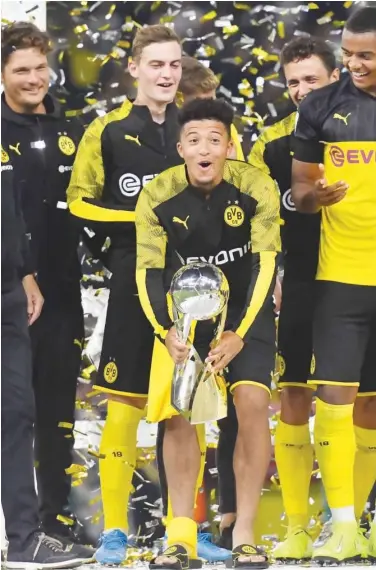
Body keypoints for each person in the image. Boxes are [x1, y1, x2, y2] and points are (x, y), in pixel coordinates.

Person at [135, 98, 281, 569]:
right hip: (186, 316)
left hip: (245, 314)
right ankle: (181, 537)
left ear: (228, 146)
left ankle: (244, 534)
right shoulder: (158, 195)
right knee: (180, 413)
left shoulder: (257, 186)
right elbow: (148, 272)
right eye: (194, 140)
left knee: (253, 405)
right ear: (181, 148)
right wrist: (165, 332)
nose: (204, 149)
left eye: (214, 140)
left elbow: (264, 265)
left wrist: (239, 331)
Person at [67, 24, 184, 565]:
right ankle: (115, 530)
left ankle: (182, 532)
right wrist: (140, 218)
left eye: (175, 65)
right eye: (156, 64)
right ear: (134, 68)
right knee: (123, 408)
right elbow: (80, 203)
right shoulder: (108, 130)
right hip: (131, 288)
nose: (166, 74)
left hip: (191, 294)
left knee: (187, 410)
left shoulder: (194, 127)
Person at [1, 22, 93, 561]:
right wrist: (24, 272)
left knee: (56, 409)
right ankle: (24, 526)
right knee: (16, 409)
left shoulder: (72, 127)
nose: (34, 78)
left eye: (41, 67)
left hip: (64, 290)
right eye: (21, 70)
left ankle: (52, 519)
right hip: (14, 288)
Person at [292, 6, 376, 563]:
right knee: (336, 402)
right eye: (348, 52)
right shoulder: (321, 106)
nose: (353, 63)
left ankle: (364, 519)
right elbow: (299, 189)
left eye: (366, 54)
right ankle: (342, 525)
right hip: (340, 279)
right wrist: (312, 198)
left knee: (371, 411)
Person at [1, 139, 84, 569]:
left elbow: (11, 214)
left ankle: (23, 540)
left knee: (16, 412)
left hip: (8, 291)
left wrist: (25, 272)